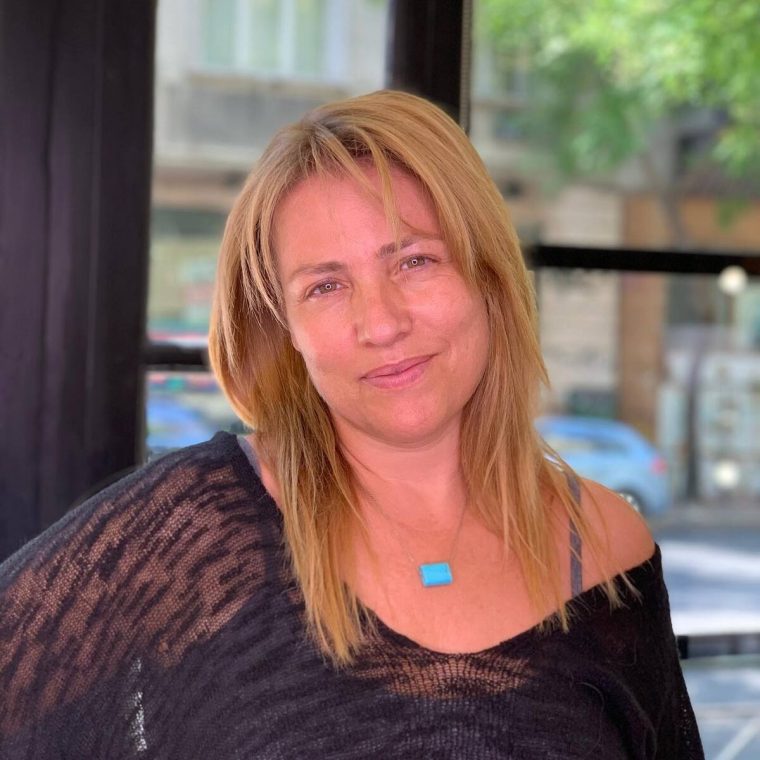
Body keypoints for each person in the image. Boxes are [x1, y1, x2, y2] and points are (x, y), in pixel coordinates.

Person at [0, 90, 703, 759]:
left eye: (415, 260)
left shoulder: (605, 548)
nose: (382, 323)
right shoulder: (192, 534)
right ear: (286, 328)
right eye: (326, 286)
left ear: (487, 277)